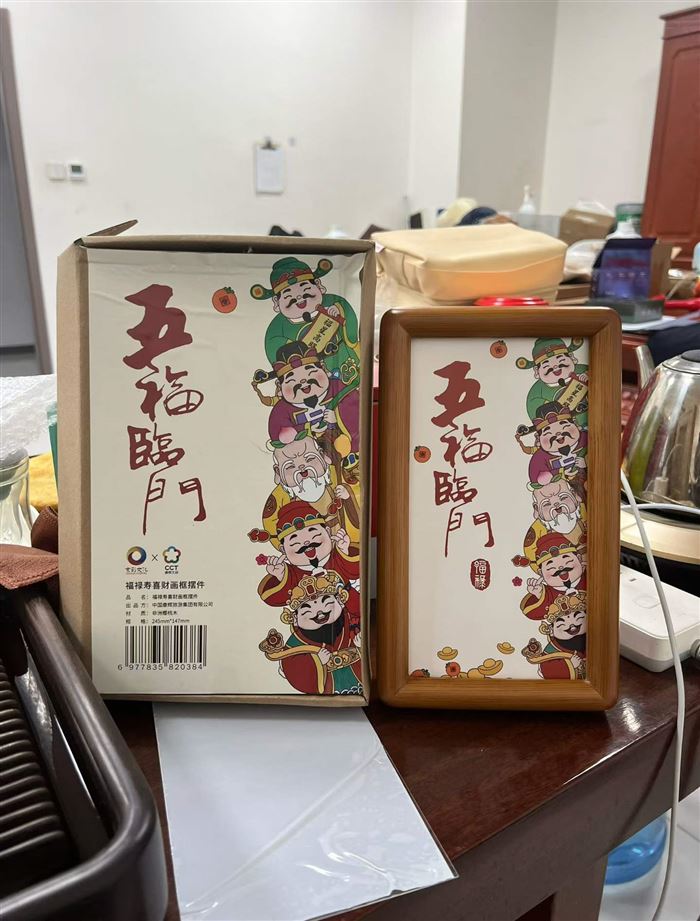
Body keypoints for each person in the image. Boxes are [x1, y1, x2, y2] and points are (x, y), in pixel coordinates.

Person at [250, 257, 360, 386]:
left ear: (318, 285)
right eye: (288, 295)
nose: (298, 297)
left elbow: (352, 332)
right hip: (310, 379)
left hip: (346, 361)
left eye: (305, 288)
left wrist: (340, 311)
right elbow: (276, 351)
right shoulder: (277, 328)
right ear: (276, 302)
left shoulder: (334, 302)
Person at [258, 572, 362, 695]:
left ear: (340, 600)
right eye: (307, 610)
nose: (319, 612)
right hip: (327, 688)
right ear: (294, 618)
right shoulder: (296, 643)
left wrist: (361, 645)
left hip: (359, 682)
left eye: (326, 603)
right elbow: (292, 667)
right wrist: (316, 661)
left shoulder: (352, 620)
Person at [257, 501, 360, 617]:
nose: (306, 542)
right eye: (295, 542)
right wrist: (281, 576)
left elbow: (358, 571)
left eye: (314, 535)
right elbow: (273, 599)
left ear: (328, 532)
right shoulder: (291, 574)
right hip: (310, 621)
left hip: (352, 613)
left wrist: (344, 550)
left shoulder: (337, 557)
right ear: (283, 550)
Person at [260, 434, 359, 548]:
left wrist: (348, 497)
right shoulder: (280, 497)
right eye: (290, 467)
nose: (303, 470)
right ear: (278, 472)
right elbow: (272, 531)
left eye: (310, 459)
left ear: (322, 455)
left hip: (344, 545)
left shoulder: (337, 475)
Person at [515, 338, 588, 423]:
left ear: (571, 357)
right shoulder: (538, 391)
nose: (555, 367)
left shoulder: (583, 370)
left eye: (561, 360)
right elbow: (535, 411)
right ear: (537, 371)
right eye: (546, 366)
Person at [520, 532, 586, 620]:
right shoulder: (547, 594)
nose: (560, 567)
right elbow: (531, 613)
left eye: (567, 560)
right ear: (541, 573)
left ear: (579, 558)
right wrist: (539, 595)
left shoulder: (589, 578)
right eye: (551, 566)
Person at [521, 592, 587, 679]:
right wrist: (570, 665)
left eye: (578, 618)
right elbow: (547, 668)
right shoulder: (551, 651)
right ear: (551, 630)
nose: (571, 625)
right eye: (561, 624)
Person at [523, 476, 586, 566]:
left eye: (563, 498)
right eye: (547, 504)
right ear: (537, 509)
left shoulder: (588, 512)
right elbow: (534, 561)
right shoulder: (537, 533)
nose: (557, 507)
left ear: (574, 495)